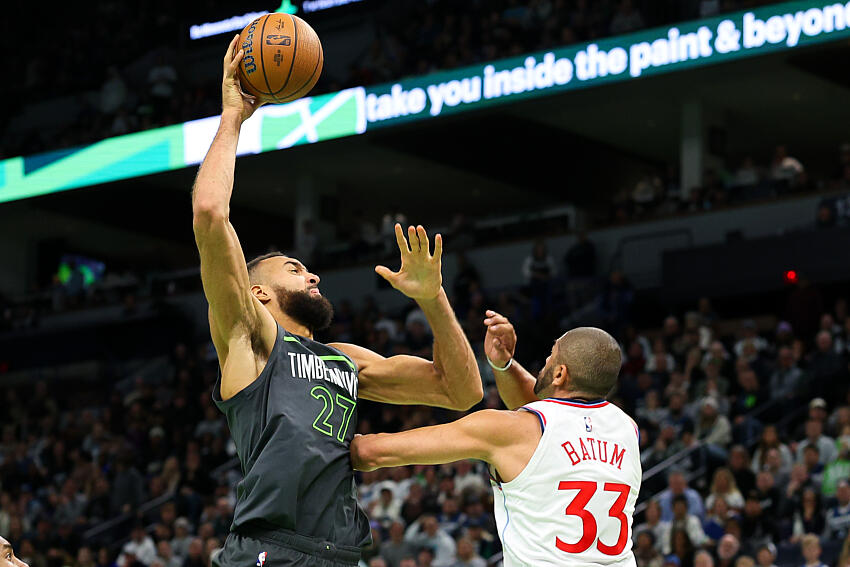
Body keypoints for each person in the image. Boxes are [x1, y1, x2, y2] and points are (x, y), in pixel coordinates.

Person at [193, 37, 483, 567]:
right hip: (271, 549)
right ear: (258, 292)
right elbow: (211, 213)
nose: (314, 275)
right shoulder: (251, 339)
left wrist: (433, 298)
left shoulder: (345, 361)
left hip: (342, 552)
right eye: (294, 269)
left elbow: (461, 392)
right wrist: (233, 117)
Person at [352, 324, 642, 566]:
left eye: (550, 357)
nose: (544, 362)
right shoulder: (628, 430)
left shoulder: (508, 429)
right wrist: (504, 365)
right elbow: (553, 416)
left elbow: (370, 452)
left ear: (560, 374)